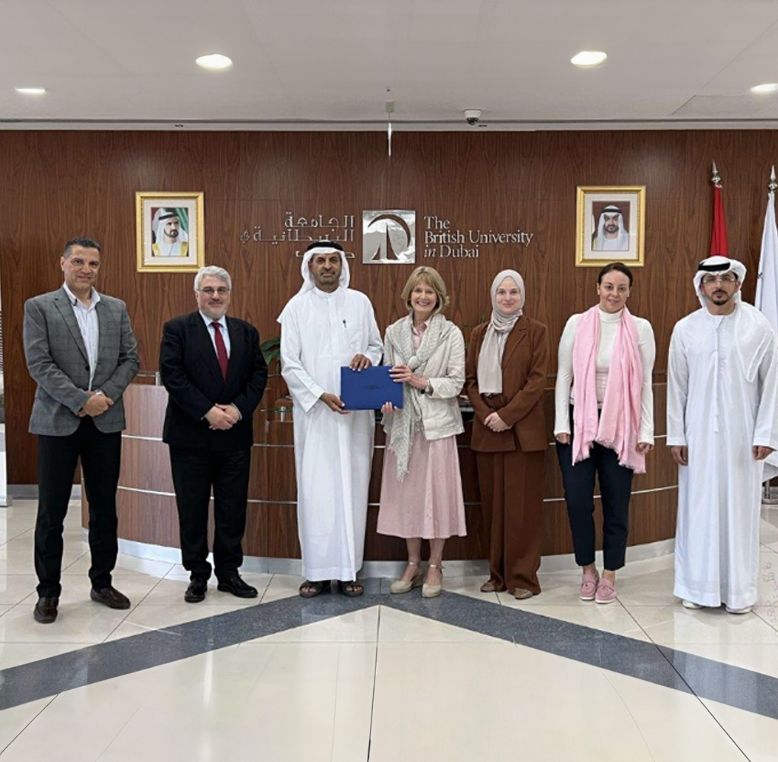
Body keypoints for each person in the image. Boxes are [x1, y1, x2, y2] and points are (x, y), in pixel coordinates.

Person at [23, 237, 140, 624]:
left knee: (104, 507)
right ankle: (48, 592)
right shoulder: (40, 307)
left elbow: (130, 359)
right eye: (78, 262)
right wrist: (80, 400)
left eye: (93, 263)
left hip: (105, 420)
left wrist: (104, 396)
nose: (86, 269)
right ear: (63, 263)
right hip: (57, 421)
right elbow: (39, 363)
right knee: (51, 511)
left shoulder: (115, 308)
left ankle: (102, 583)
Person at [668, 255, 778, 614]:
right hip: (697, 438)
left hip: (743, 438)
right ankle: (696, 587)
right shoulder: (686, 329)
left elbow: (772, 384)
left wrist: (766, 433)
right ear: (701, 285)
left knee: (739, 511)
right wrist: (677, 435)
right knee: (698, 509)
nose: (718, 285)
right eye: (711, 280)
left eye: (726, 279)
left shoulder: (758, 327)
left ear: (738, 283)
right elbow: (677, 387)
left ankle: (740, 592)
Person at [278, 241, 382, 597]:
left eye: (333, 260)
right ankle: (317, 573)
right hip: (316, 418)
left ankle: (350, 570)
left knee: (353, 489)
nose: (327, 266)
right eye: (320, 260)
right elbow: (289, 364)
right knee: (315, 493)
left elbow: (376, 346)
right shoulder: (295, 308)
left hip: (354, 417)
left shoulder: (360, 302)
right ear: (309, 266)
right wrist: (320, 395)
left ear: (341, 266)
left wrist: (367, 357)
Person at [160, 266, 267, 602]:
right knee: (192, 509)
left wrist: (236, 410)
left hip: (234, 435)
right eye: (208, 290)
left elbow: (258, 375)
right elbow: (173, 376)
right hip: (190, 436)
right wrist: (208, 412)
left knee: (232, 508)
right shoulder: (177, 329)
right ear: (197, 294)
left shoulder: (246, 332)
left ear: (229, 294)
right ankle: (197, 575)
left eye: (221, 290)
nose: (215, 296)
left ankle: (229, 573)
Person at [554, 262, 655, 604]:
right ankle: (587, 570)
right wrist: (561, 424)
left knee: (617, 500)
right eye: (608, 287)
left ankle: (610, 572)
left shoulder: (640, 328)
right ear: (598, 288)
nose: (614, 294)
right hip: (579, 423)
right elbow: (563, 375)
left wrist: (646, 430)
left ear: (629, 292)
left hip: (621, 425)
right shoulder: (577, 323)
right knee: (577, 500)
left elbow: (644, 384)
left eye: (621, 288)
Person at [377, 266, 466, 598]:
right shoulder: (393, 332)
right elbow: (387, 376)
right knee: (409, 499)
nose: (423, 296)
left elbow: (456, 383)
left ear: (438, 297)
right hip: (403, 428)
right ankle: (413, 563)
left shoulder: (450, 333)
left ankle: (435, 565)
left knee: (437, 498)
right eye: (418, 290)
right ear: (409, 295)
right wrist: (386, 399)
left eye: (429, 291)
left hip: (437, 428)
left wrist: (419, 381)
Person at [466, 270, 548, 599]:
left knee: (521, 510)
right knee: (494, 508)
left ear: (522, 296)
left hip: (521, 432)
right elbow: (471, 382)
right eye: (502, 292)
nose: (508, 298)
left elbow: (537, 381)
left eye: (514, 292)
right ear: (493, 296)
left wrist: (507, 416)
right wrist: (487, 415)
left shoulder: (536, 331)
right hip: (488, 429)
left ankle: (523, 579)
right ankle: (497, 575)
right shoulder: (479, 333)